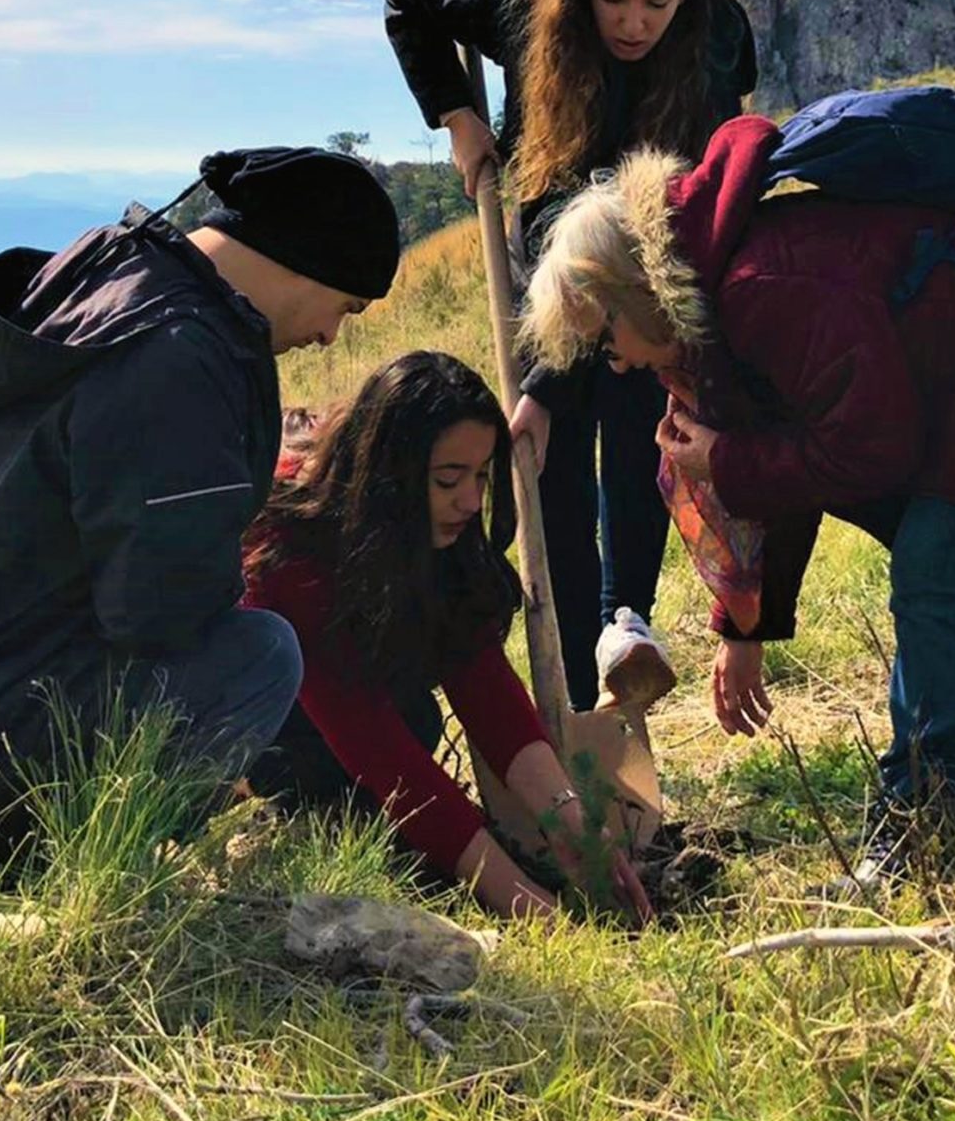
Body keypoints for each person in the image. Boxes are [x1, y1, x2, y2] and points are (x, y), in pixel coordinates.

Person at [519, 114, 955, 874]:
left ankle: (922, 823)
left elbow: (868, 450)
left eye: (608, 338)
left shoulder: (757, 290)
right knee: (949, 572)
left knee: (940, 567)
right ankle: (936, 787)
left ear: (636, 292)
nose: (614, 365)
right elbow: (801, 443)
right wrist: (744, 629)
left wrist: (729, 460)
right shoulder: (721, 297)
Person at [0, 149, 401, 881]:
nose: (331, 335)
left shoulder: (103, 282)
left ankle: (34, 842)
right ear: (305, 262)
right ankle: (77, 869)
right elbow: (160, 611)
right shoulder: (175, 360)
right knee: (258, 658)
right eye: (345, 307)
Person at [385, 0, 757, 713]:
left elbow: (730, 151)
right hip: (547, 296)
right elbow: (408, 4)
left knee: (638, 442)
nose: (632, 22)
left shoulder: (715, 32)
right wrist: (456, 116)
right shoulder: (527, 13)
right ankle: (574, 695)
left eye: (656, 2)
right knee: (547, 466)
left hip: (641, 286)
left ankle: (626, 622)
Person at [242, 351, 650, 921]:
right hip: (255, 712)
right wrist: (521, 901)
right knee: (329, 761)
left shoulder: (436, 531)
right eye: (448, 480)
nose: (471, 501)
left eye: (481, 476)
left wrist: (571, 825)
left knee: (417, 719)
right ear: (389, 476)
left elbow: (481, 679)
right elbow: (370, 738)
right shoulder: (290, 544)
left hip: (358, 695)